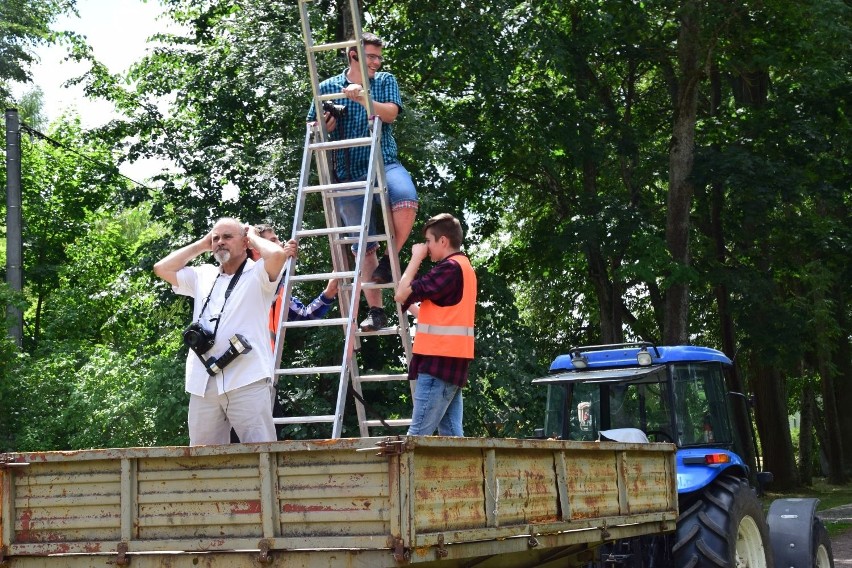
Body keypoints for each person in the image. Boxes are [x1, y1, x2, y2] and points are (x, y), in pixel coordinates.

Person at [307, 31, 418, 332]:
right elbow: (312, 125)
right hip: (347, 171)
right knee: (361, 244)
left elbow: (391, 114)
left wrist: (364, 98)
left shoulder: (383, 81)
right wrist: (324, 124)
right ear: (354, 54)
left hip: (383, 162)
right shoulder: (329, 86)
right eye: (371, 56)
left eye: (379, 57)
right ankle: (377, 311)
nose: (376, 62)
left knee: (406, 201)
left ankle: (389, 259)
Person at [153, 217, 290, 446]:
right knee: (203, 457)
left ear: (245, 242)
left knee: (262, 452)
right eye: (216, 238)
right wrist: (201, 244)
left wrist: (254, 237)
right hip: (203, 380)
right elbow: (161, 268)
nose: (220, 242)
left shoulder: (258, 274)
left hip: (247, 378)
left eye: (228, 237)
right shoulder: (203, 275)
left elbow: (278, 255)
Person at [394, 213, 477, 436]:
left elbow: (402, 293)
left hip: (438, 362)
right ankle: (463, 472)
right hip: (450, 361)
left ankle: (407, 472)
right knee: (451, 436)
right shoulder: (464, 267)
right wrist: (406, 301)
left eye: (428, 241)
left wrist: (415, 258)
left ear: (443, 241)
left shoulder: (449, 268)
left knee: (417, 438)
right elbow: (438, 316)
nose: (426, 246)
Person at [250, 223, 339, 346]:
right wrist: (282, 258)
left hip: (264, 359)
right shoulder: (245, 278)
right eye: (273, 240)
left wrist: (329, 293)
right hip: (245, 360)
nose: (281, 243)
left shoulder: (278, 287)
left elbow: (304, 317)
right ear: (258, 249)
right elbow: (263, 287)